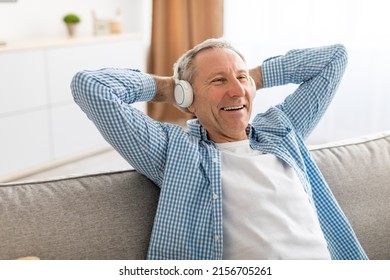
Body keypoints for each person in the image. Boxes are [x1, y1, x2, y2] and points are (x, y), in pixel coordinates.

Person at [71, 38, 368, 260]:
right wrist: (168, 88)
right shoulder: (176, 152)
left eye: (241, 79)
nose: (237, 90)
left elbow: (334, 58)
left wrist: (254, 78)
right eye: (218, 80)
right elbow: (92, 87)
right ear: (187, 98)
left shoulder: (282, 130)